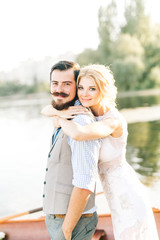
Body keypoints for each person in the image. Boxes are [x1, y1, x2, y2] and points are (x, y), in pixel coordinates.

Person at [42, 64, 159, 240]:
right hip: (111, 193)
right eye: (81, 87)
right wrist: (58, 112)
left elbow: (79, 133)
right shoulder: (87, 111)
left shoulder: (112, 121)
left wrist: (59, 118)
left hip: (126, 194)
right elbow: (46, 109)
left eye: (92, 89)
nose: (84, 94)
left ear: (103, 90)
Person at [42, 61, 101, 240]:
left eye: (67, 84)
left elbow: (84, 183)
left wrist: (66, 230)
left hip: (72, 222)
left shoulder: (81, 121)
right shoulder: (63, 112)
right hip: (61, 219)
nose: (59, 89)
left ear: (77, 85)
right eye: (55, 83)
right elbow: (46, 109)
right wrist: (57, 114)